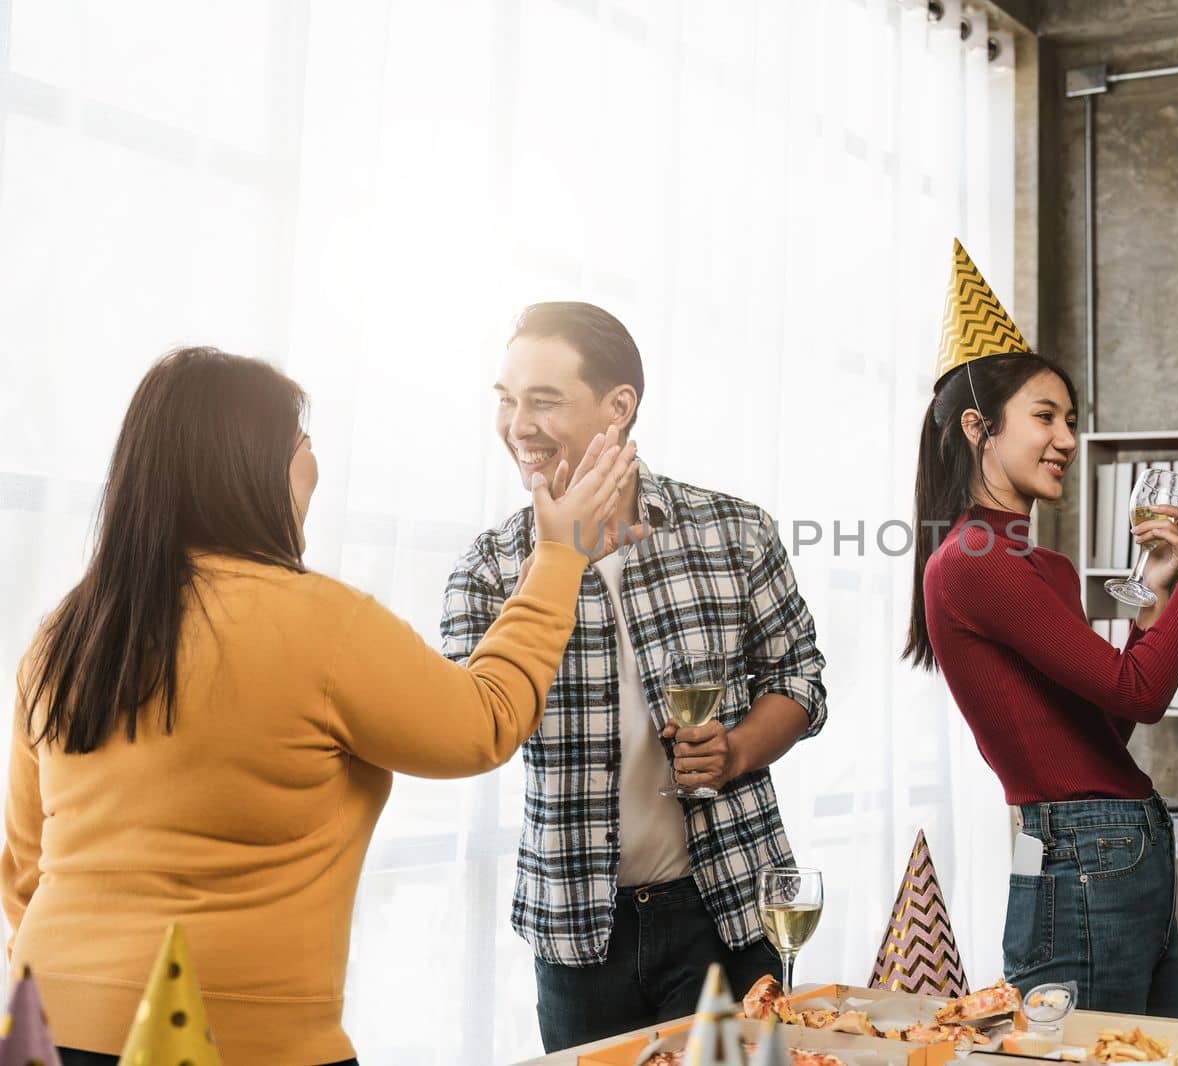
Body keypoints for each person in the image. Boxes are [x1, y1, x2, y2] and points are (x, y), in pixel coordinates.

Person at [2, 347, 636, 1066]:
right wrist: (558, 559)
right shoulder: (319, 625)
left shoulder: (65, 633)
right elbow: (485, 722)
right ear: (252, 467)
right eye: (303, 445)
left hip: (43, 1023)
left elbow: (26, 868)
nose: (314, 467)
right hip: (233, 1042)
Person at [439, 302, 827, 1051]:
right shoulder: (487, 570)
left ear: (619, 408)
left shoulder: (733, 530)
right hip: (579, 930)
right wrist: (554, 564)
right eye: (506, 399)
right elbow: (468, 728)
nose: (518, 424)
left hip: (728, 912)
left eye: (544, 400)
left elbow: (800, 679)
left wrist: (737, 750)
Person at [905, 240, 1178, 1016]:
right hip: (1087, 849)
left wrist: (1159, 593)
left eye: (1071, 419)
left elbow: (1111, 725)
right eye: (1045, 417)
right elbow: (1147, 691)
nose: (1065, 438)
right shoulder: (973, 560)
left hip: (1121, 846)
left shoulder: (1038, 565)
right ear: (977, 427)